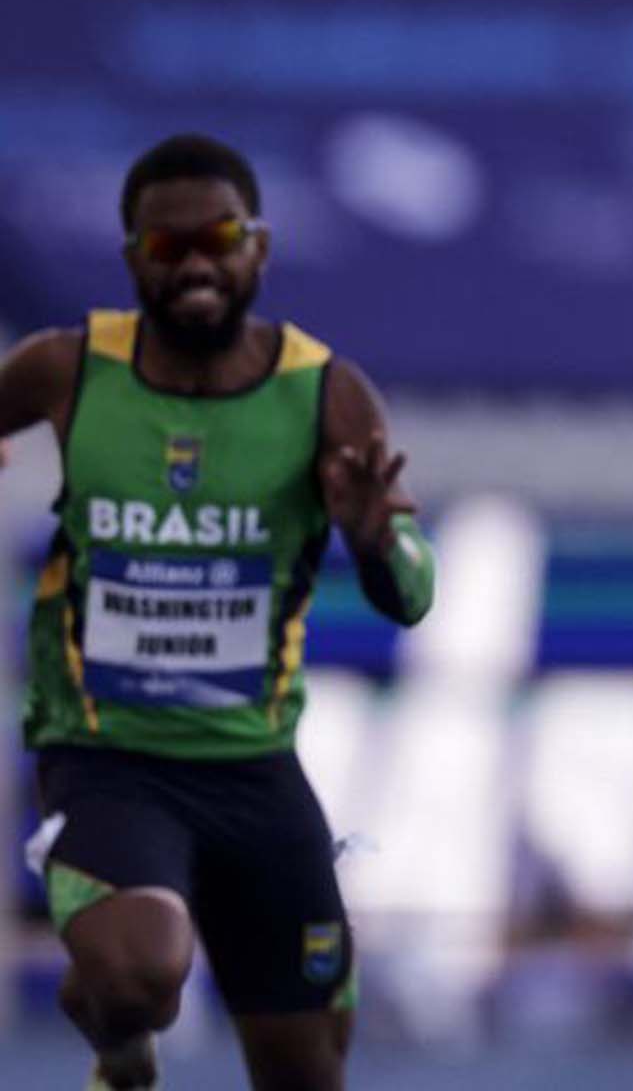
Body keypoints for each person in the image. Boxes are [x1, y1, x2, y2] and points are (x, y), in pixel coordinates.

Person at [0, 134, 436, 1091]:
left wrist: (375, 543)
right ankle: (118, 1034)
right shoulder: (66, 370)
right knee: (141, 972)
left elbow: (412, 595)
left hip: (254, 768)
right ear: (133, 260)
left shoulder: (325, 393)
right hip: (107, 757)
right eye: (168, 247)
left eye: (220, 239)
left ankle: (112, 1004)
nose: (196, 264)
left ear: (259, 249)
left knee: (305, 1075)